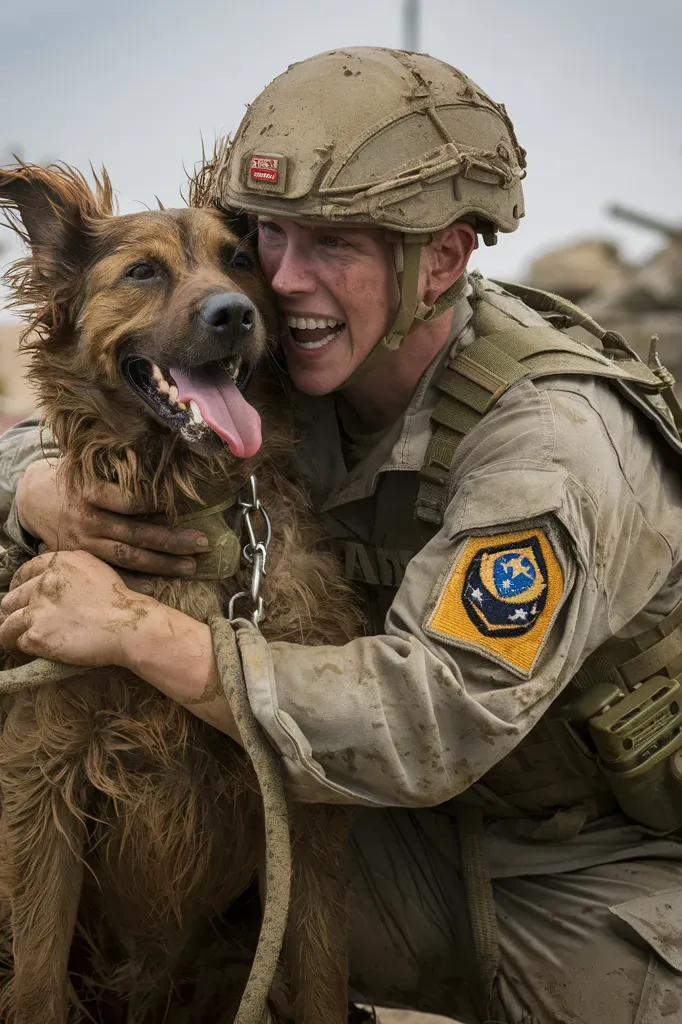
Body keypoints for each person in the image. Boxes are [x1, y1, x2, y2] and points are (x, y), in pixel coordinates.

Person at [1, 46, 682, 1024]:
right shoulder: (289, 371)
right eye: (270, 238)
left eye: (337, 246)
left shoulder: (550, 442)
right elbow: (75, 415)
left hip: (574, 857)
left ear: (439, 259)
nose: (280, 281)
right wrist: (35, 490)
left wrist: (137, 632)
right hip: (401, 824)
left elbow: (426, 721)